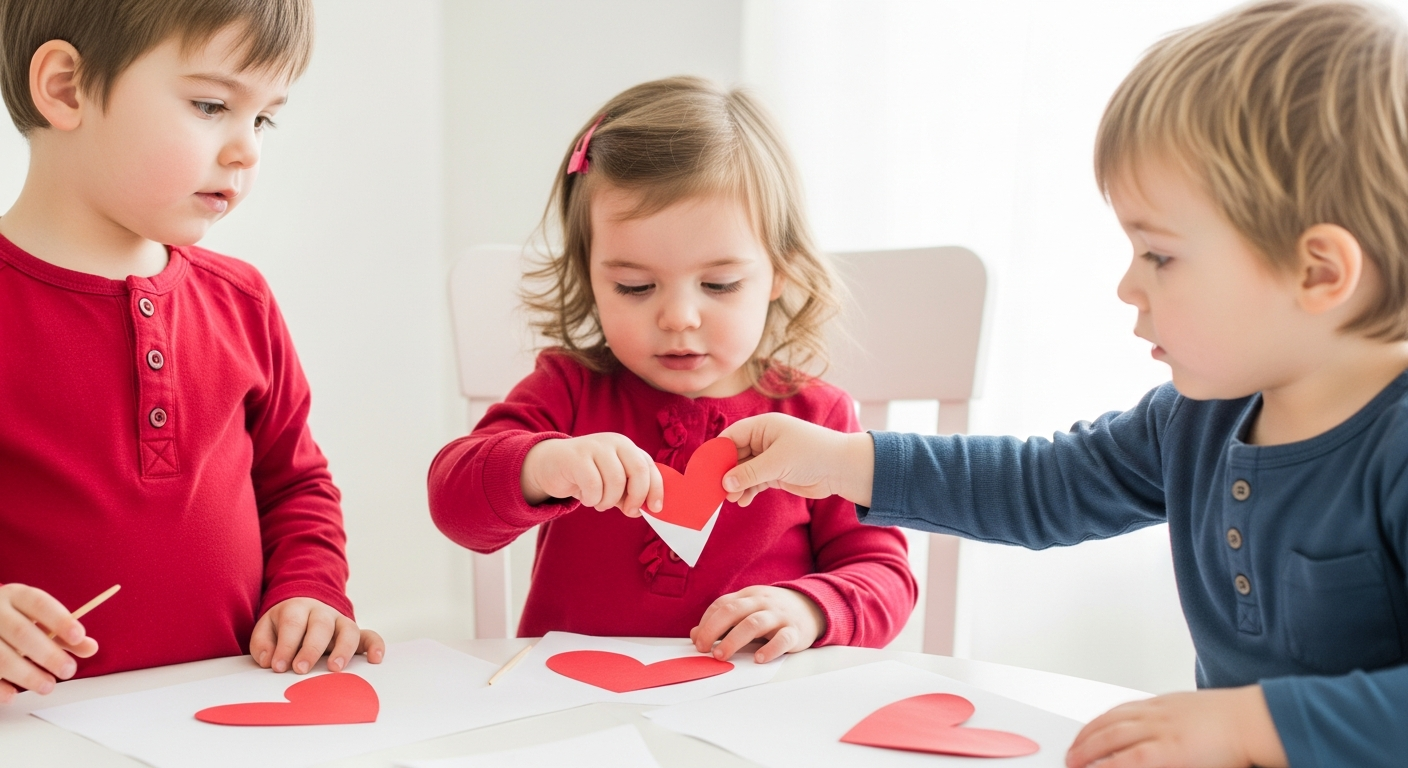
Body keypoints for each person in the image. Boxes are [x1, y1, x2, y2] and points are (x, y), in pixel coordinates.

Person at [715, 1, 1408, 765]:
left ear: (1318, 272)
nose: (1128, 287)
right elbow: (1044, 484)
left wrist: (1248, 725)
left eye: (1159, 255)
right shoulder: (1196, 420)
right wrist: (844, 461)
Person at [428, 77, 916, 664]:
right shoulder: (569, 389)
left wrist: (810, 608)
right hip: (571, 697)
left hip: (751, 699)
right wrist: (542, 465)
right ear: (589, 275)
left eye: (720, 284)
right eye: (635, 286)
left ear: (780, 271)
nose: (679, 317)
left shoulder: (817, 419)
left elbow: (884, 573)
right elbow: (454, 505)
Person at [0, 0, 383, 704]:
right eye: (212, 105)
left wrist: (308, 589)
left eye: (263, 119)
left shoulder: (243, 301)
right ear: (66, 88)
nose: (248, 151)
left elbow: (295, 487)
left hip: (227, 714)